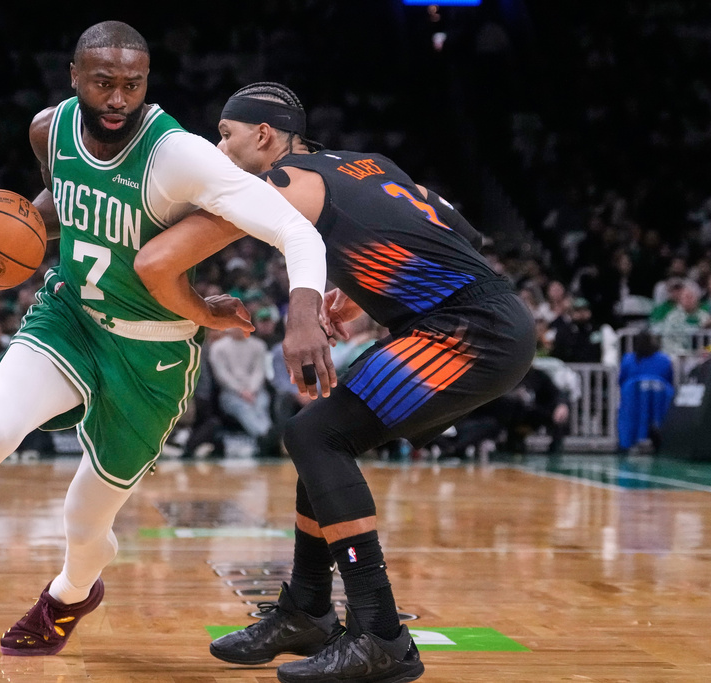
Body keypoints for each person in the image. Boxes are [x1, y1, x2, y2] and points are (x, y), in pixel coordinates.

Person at [0, 21, 331, 660]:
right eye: (103, 83)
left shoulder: (180, 156)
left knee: (85, 520)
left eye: (132, 85)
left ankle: (70, 594)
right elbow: (67, 201)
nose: (117, 99)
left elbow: (297, 230)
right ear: (74, 77)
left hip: (150, 348)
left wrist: (303, 315)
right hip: (70, 316)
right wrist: (7, 233)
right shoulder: (47, 130)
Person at [134, 81, 538, 683]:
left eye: (225, 134)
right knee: (318, 437)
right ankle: (306, 609)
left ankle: (381, 636)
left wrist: (200, 310)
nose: (219, 149)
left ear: (263, 136)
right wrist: (358, 289)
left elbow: (159, 259)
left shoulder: (281, 182)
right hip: (478, 316)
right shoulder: (368, 163)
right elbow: (463, 235)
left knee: (317, 436)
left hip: (471, 332)